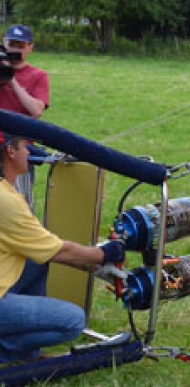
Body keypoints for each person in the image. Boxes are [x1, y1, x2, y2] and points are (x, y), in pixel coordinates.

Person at [0, 131, 125, 364]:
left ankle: (29, 355)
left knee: (37, 259)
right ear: (10, 151)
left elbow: (43, 248)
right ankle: (8, 352)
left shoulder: (5, 191)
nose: (29, 152)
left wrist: (94, 266)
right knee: (73, 321)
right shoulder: (5, 200)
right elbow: (59, 251)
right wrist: (104, 253)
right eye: (25, 146)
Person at [0, 24, 50, 211]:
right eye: (11, 45)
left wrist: (11, 79)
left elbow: (36, 111)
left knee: (19, 206)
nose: (14, 50)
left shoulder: (38, 76)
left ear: (30, 48)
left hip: (18, 152)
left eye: (20, 46)